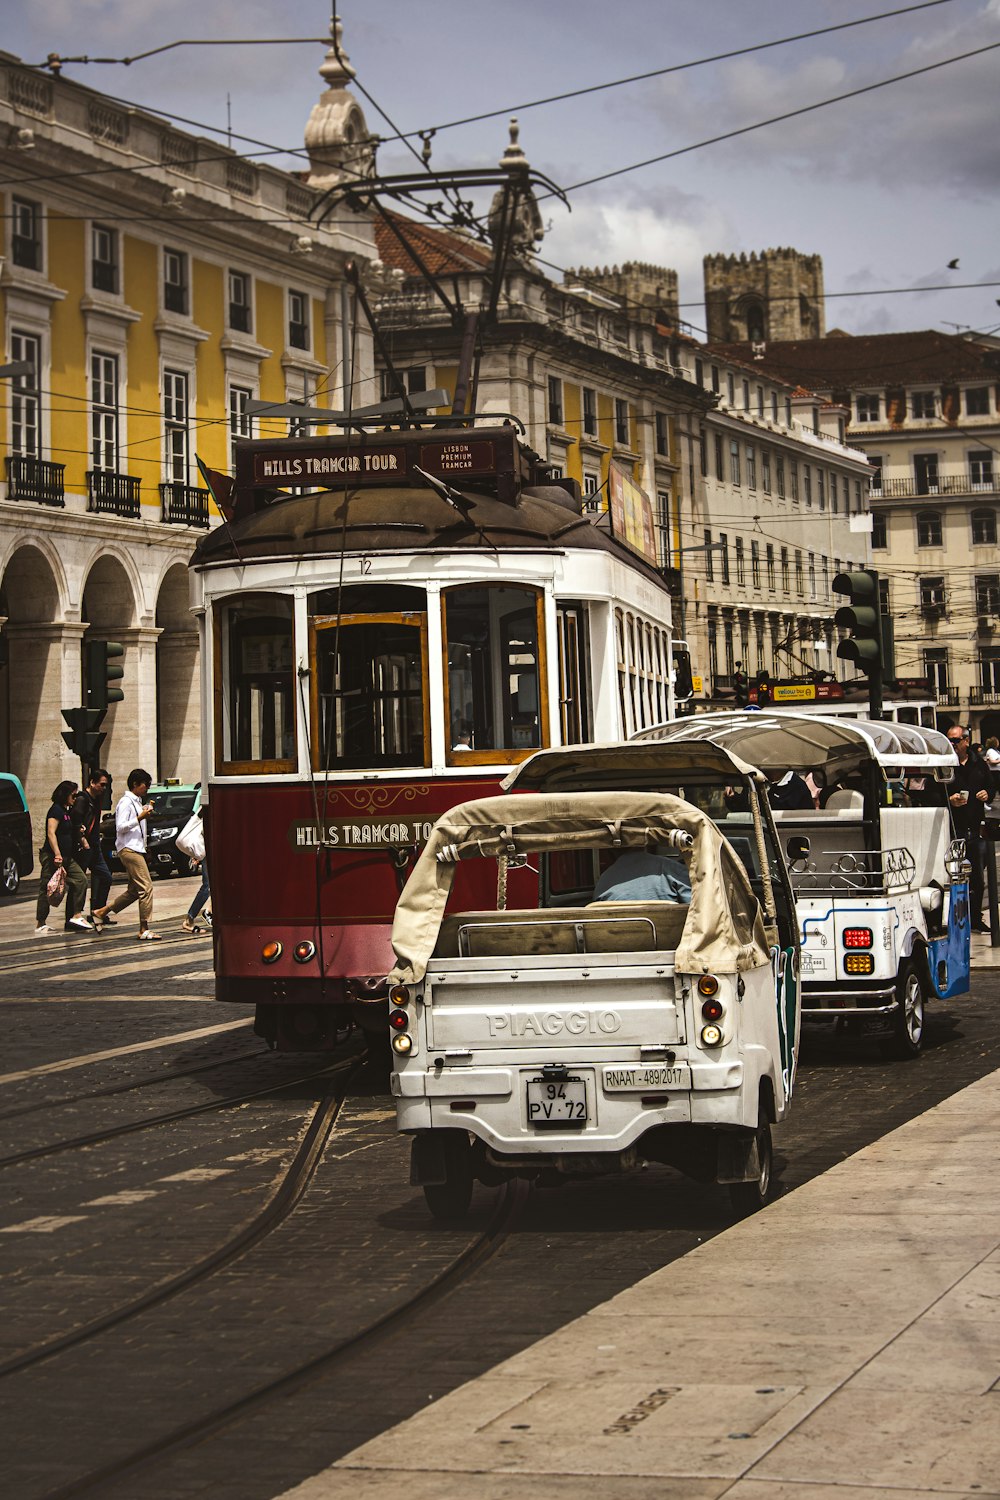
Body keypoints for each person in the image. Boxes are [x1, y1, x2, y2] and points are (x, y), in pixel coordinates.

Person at [93, 767, 160, 940]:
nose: (147, 788)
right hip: (129, 849)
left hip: (137, 848)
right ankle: (144, 928)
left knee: (134, 891)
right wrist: (140, 817)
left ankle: (101, 912)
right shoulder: (125, 802)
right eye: (146, 785)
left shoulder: (137, 802)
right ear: (136, 784)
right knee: (146, 887)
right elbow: (121, 826)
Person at [947, 725, 992, 933]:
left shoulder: (978, 764)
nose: (953, 745)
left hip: (975, 828)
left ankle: (975, 918)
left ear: (966, 741)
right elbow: (931, 792)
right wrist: (949, 800)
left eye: (956, 741)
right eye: (950, 740)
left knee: (977, 878)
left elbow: (991, 786)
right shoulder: (946, 764)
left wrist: (987, 794)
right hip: (953, 830)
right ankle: (957, 920)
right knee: (953, 877)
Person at [35, 781, 94, 935]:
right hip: (53, 856)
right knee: (47, 888)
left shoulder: (66, 811)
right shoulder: (55, 810)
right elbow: (51, 833)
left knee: (81, 880)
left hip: (67, 857)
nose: (75, 798)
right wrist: (57, 853)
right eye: (73, 795)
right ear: (64, 794)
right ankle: (41, 922)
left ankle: (76, 915)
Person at [72, 766, 114, 924]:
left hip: (95, 846)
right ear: (92, 782)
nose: (104, 788)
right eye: (102, 784)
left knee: (106, 877)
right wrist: (82, 838)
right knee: (79, 882)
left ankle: (98, 911)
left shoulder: (96, 800)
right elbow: (76, 820)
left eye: (105, 785)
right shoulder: (83, 799)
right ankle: (73, 915)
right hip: (85, 847)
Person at [592, 849, 693, 904]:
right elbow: (695, 908)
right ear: (645, 843)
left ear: (610, 851)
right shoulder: (671, 868)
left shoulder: (603, 879)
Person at [183, 812, 211, 933]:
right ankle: (190, 919)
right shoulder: (209, 803)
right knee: (208, 886)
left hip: (211, 848)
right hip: (209, 849)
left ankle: (209, 911)